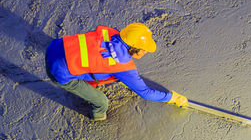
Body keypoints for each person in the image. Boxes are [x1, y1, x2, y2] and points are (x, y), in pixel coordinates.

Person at [46, 22, 188, 121]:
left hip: (55, 47)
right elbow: (145, 93)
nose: (145, 52)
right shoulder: (124, 68)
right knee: (102, 102)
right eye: (144, 49)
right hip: (58, 73)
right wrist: (173, 98)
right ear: (134, 48)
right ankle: (98, 118)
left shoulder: (111, 32)